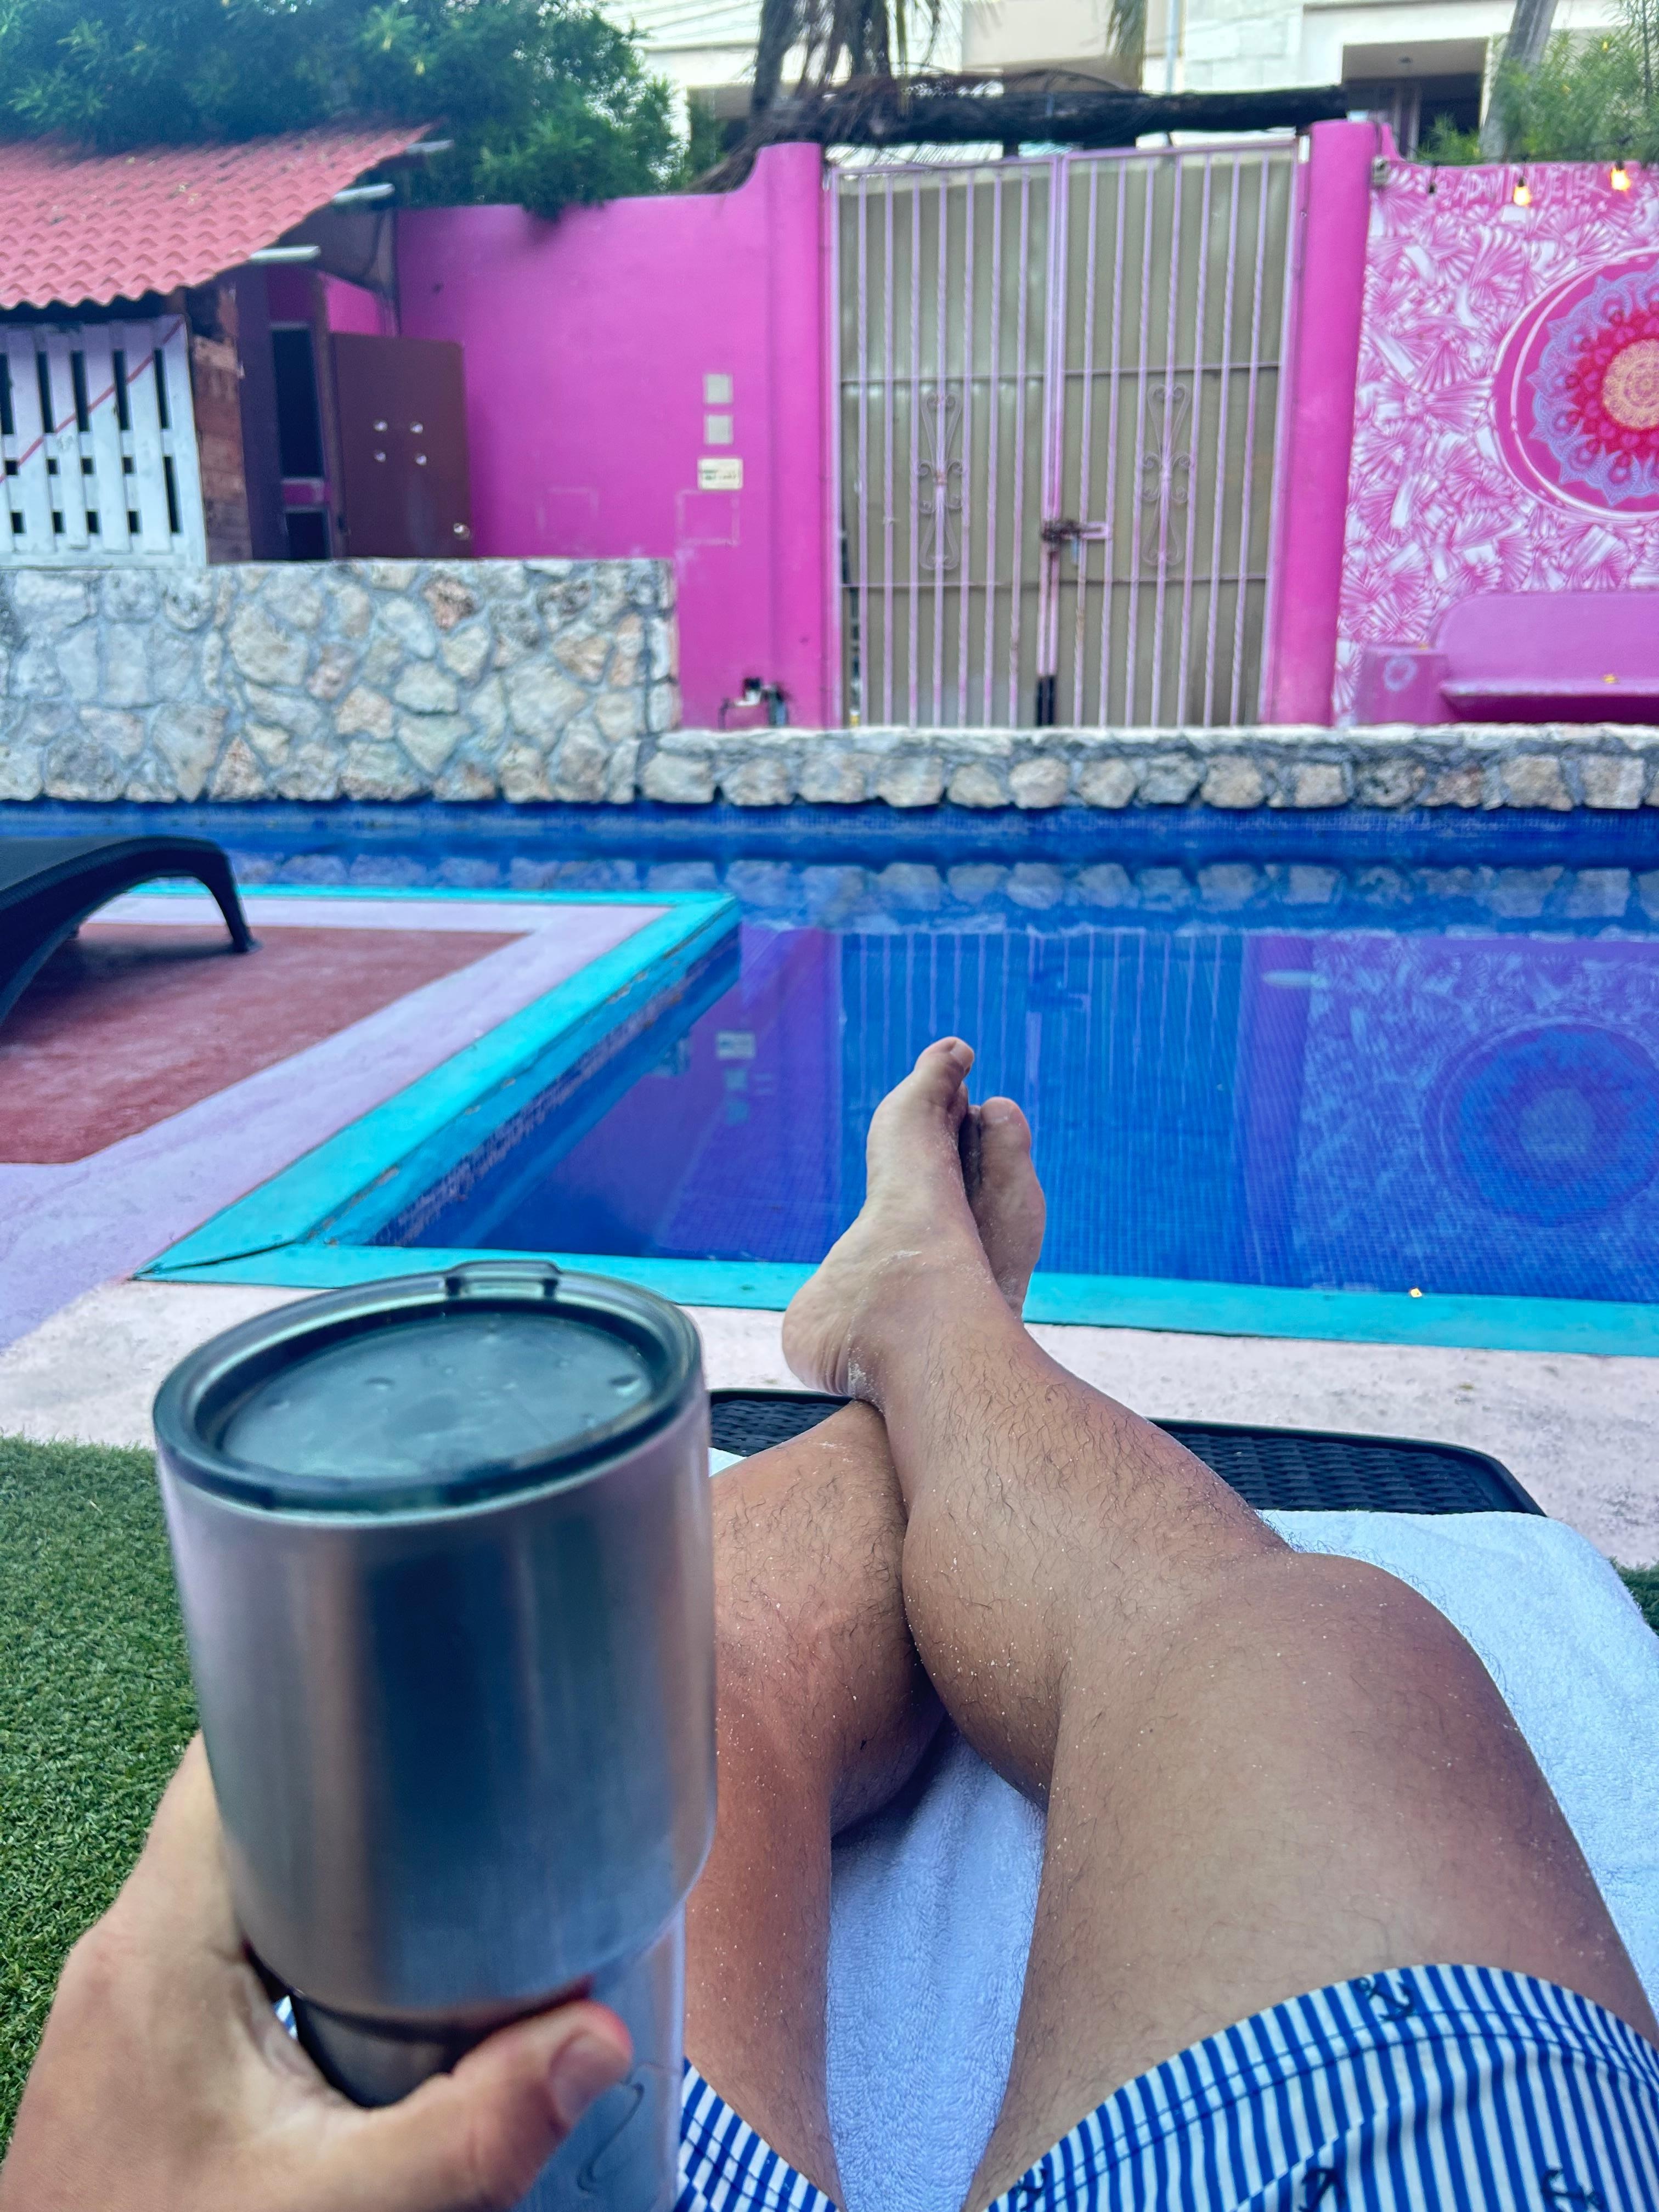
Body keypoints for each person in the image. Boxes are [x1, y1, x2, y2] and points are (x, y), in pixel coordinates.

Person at [5, 1038, 1658, 2212]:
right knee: (1294, 1657)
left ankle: (918, 1339)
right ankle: (932, 1334)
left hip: (555, 2159)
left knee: (679, 1667)